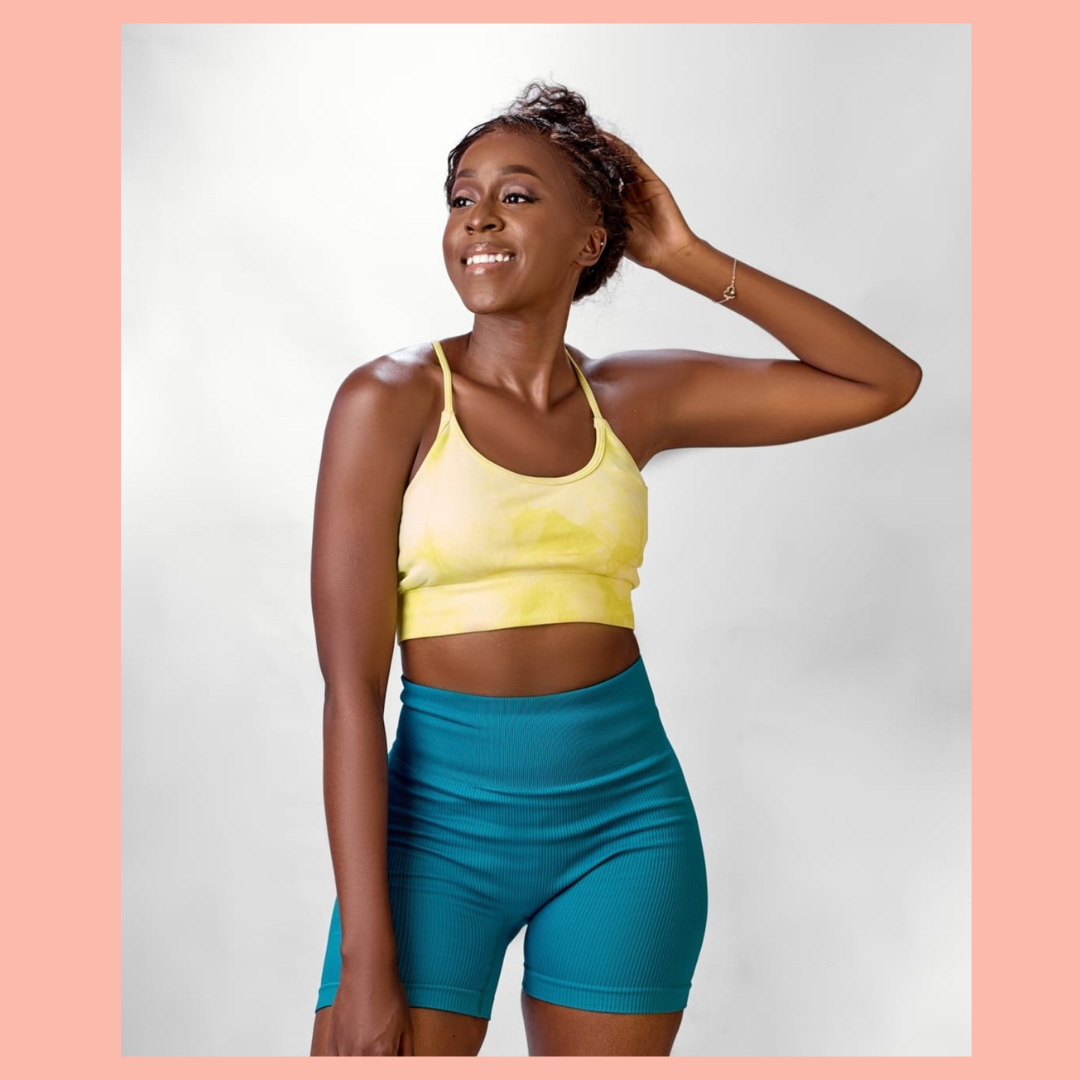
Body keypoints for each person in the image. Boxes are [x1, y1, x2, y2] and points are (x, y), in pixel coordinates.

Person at [307, 81, 922, 1058]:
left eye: (517, 195)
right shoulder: (389, 400)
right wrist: (367, 954)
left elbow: (883, 381)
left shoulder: (632, 400)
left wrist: (685, 257)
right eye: (463, 197)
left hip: (624, 827)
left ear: (592, 238)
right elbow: (350, 692)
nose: (479, 219)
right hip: (436, 835)